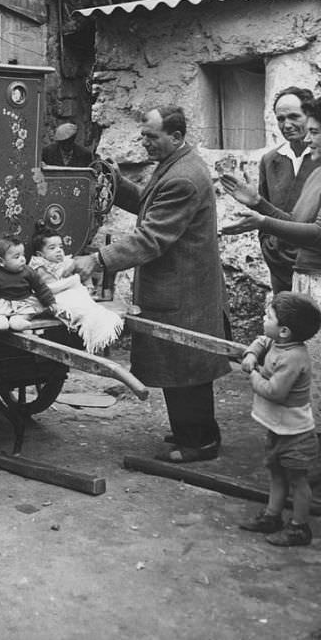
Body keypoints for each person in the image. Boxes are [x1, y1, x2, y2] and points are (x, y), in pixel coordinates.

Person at [69, 105, 230, 463]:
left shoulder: (183, 177)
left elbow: (151, 237)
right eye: (143, 136)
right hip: (183, 283)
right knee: (182, 361)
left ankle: (199, 442)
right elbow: (150, 204)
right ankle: (194, 430)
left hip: (183, 288)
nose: (144, 143)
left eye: (151, 137)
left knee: (185, 361)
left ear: (175, 136)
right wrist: (114, 181)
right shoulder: (178, 164)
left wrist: (96, 260)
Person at [221, 91, 321, 499]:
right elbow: (296, 222)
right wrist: (259, 208)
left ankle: (320, 463)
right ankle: (309, 457)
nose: (308, 138)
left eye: (316, 132)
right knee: (313, 375)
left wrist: (261, 219)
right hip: (307, 281)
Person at [239, 292, 321, 547]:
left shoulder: (294, 358)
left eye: (268, 316)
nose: (264, 319)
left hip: (296, 434)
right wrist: (252, 354)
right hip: (277, 428)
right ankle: (272, 516)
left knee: (297, 480)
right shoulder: (279, 342)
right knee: (276, 473)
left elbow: (275, 392)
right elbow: (262, 341)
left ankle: (299, 527)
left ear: (284, 330)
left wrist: (253, 375)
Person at [28, 221, 123, 353]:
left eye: (60, 247)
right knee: (69, 306)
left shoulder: (67, 262)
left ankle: (92, 327)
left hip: (72, 292)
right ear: (40, 254)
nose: (58, 251)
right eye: (52, 248)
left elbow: (83, 275)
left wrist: (88, 286)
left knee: (86, 306)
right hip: (53, 295)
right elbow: (44, 287)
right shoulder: (40, 266)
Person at [257, 87, 315, 293]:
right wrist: (268, 245)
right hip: (279, 265)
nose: (286, 125)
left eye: (294, 117)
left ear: (310, 116)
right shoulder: (270, 160)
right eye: (280, 119)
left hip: (318, 265)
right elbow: (263, 209)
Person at [0, 235, 62, 331]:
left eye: (23, 255)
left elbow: (41, 287)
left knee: (27, 310)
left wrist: (50, 302)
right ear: (1, 262)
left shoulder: (28, 271)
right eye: (17, 257)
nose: (23, 259)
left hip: (22, 302)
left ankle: (18, 321)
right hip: (1, 302)